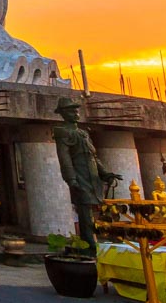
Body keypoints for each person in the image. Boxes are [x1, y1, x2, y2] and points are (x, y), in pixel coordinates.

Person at [51, 99, 119, 252]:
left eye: (76, 111)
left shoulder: (83, 133)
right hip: (80, 176)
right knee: (85, 211)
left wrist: (105, 174)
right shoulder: (63, 132)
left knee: (94, 210)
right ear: (62, 114)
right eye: (70, 111)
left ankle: (94, 240)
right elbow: (65, 158)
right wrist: (71, 179)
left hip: (92, 176)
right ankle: (89, 244)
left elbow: (93, 157)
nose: (75, 114)